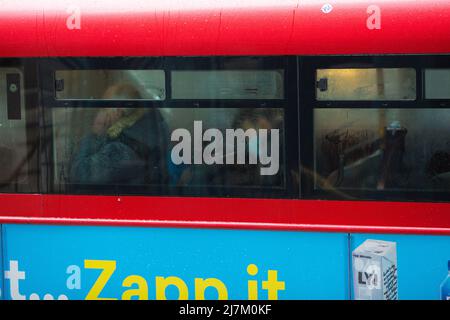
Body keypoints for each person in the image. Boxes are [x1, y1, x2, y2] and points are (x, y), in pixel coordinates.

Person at [69, 84, 169, 187]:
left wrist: (95, 135)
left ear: (117, 112)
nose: (98, 113)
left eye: (103, 109)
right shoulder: (141, 132)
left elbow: (79, 175)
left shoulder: (120, 149)